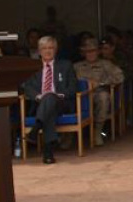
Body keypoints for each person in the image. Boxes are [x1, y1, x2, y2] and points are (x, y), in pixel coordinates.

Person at [20, 35, 78, 164]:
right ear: (39, 51)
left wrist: (59, 95)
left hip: (62, 103)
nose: (47, 51)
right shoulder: (33, 67)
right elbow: (27, 87)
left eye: (51, 48)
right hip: (40, 104)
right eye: (44, 48)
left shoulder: (66, 65)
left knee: (51, 97)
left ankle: (36, 128)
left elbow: (73, 87)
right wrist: (38, 96)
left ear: (56, 50)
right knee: (48, 108)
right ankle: (48, 153)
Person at [73, 37, 125, 146]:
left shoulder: (106, 64)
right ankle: (68, 135)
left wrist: (101, 83)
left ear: (98, 52)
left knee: (104, 97)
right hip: (81, 95)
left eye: (93, 51)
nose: (90, 54)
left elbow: (120, 77)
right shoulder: (76, 66)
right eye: (88, 51)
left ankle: (98, 131)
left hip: (98, 92)